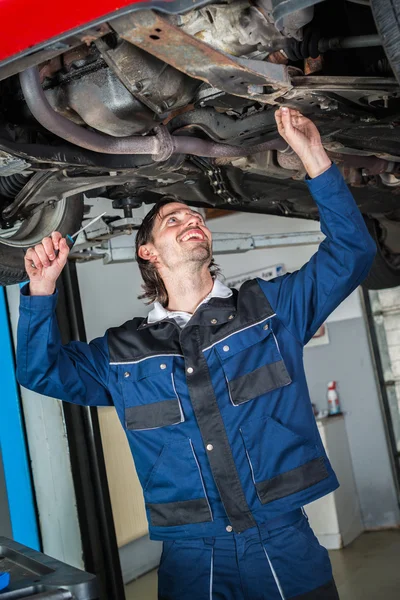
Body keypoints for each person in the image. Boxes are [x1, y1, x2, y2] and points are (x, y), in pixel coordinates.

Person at [17, 108, 376, 600]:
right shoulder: (123, 353)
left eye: (196, 216)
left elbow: (353, 253)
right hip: (190, 559)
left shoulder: (270, 309)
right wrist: (40, 293)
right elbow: (40, 371)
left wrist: (314, 156)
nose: (192, 219)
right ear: (148, 252)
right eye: (173, 218)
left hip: (283, 540)